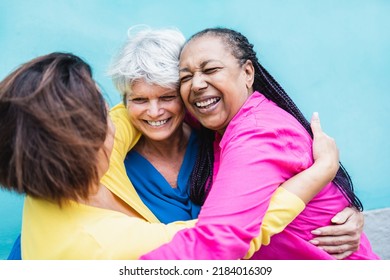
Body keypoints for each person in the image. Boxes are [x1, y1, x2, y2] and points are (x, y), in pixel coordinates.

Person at [4, 28, 364, 260]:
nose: (118, 119)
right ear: (81, 144)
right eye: (131, 102)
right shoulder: (116, 246)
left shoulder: (45, 186)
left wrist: (341, 200)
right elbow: (221, 240)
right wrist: (318, 174)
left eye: (168, 95)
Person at [140, 27, 379, 260]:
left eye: (211, 69)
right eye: (186, 77)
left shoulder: (260, 134)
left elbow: (217, 241)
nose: (197, 84)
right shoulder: (221, 120)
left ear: (247, 73)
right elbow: (146, 112)